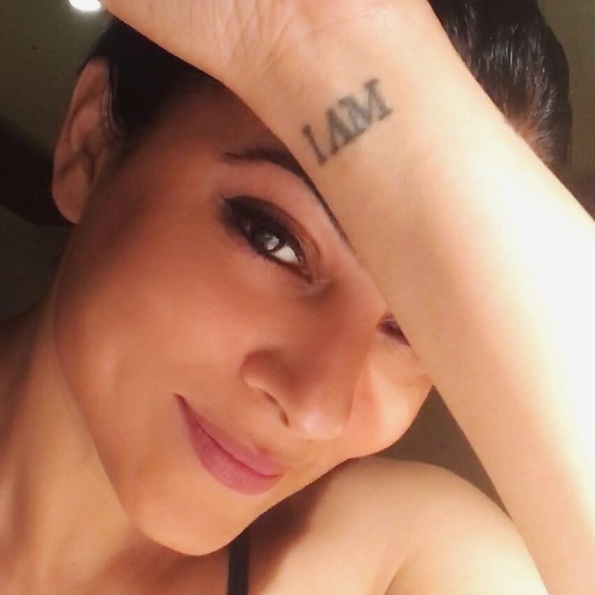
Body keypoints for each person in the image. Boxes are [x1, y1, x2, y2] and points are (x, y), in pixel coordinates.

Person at [0, 0, 592, 593]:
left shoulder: (402, 563)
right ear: (91, 148)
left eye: (414, 329)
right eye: (273, 239)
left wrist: (317, 39)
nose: (315, 411)